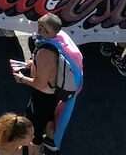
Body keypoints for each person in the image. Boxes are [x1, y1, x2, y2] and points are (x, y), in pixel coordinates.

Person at [12, 14, 83, 155]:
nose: (40, 30)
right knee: (49, 118)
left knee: (34, 129)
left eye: (44, 29)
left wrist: (21, 78)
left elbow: (39, 84)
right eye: (40, 25)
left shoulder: (45, 52)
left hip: (42, 96)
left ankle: (36, 150)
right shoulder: (59, 40)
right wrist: (32, 64)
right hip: (52, 94)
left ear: (53, 32)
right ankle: (51, 143)